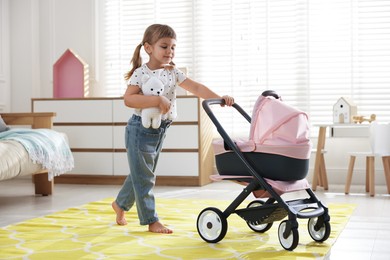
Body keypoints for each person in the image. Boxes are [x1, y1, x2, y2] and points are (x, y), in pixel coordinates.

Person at [112, 24, 234, 234]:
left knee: (140, 174)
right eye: (164, 46)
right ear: (149, 48)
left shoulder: (173, 72)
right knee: (145, 176)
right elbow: (129, 99)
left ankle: (120, 204)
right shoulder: (141, 73)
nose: (170, 51)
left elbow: (196, 87)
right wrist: (156, 99)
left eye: (173, 47)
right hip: (139, 130)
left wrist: (219, 98)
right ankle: (151, 220)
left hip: (160, 129)